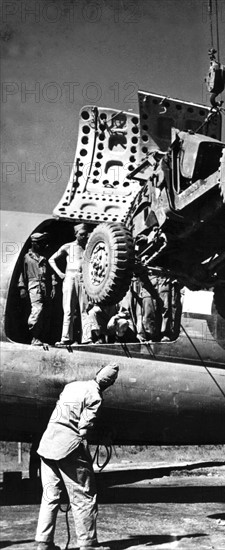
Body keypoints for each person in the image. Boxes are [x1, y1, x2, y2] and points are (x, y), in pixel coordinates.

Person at [35, 363, 119, 550]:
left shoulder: (72, 385)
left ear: (96, 373)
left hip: (47, 444)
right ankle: (88, 544)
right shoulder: (95, 397)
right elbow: (83, 430)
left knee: (49, 495)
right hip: (68, 448)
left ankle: (43, 543)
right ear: (110, 384)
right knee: (84, 496)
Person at [49, 224, 91, 345]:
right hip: (70, 277)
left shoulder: (88, 248)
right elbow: (52, 259)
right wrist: (60, 273)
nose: (83, 237)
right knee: (68, 309)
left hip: (82, 278)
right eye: (81, 234)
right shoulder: (68, 246)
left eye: (85, 234)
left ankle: (87, 338)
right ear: (76, 234)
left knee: (84, 309)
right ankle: (65, 338)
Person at [18, 232, 57, 346]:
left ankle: (42, 337)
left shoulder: (44, 257)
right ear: (34, 243)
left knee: (45, 312)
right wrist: (22, 287)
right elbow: (22, 273)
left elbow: (51, 273)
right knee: (37, 310)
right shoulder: (26, 257)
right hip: (34, 285)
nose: (42, 245)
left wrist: (53, 286)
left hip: (45, 286)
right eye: (39, 243)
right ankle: (34, 337)